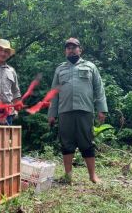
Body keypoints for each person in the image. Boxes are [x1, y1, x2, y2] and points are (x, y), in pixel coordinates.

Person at [47, 37, 108, 184]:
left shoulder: (90, 66)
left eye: (74, 47)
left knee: (86, 142)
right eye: (68, 47)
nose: (71, 49)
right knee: (66, 143)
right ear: (65, 51)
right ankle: (68, 176)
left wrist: (102, 109)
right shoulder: (60, 69)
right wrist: (51, 114)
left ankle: (93, 176)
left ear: (80, 49)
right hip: (65, 111)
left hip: (85, 110)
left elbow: (99, 89)